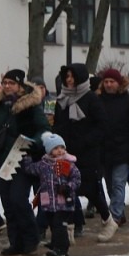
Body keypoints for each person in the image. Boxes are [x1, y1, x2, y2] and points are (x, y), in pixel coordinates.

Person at [0, 70, 50, 256]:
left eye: (11, 83)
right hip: (0, 160)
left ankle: (31, 238)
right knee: (8, 203)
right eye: (4, 83)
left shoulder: (30, 106)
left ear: (20, 85)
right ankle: (16, 242)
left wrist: (32, 142)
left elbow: (44, 129)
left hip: (22, 159)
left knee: (18, 199)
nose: (7, 86)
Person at [53, 63, 105, 233]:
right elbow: (58, 124)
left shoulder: (91, 98)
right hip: (65, 152)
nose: (69, 80)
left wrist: (85, 141)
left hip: (87, 153)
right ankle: (67, 231)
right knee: (65, 190)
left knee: (89, 189)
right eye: (67, 77)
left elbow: (101, 126)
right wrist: (55, 144)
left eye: (72, 77)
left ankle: (108, 219)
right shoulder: (62, 99)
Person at [94, 68, 129, 239]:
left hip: (122, 151)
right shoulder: (98, 101)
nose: (108, 85)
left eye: (112, 82)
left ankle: (114, 217)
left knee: (118, 183)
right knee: (109, 186)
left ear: (119, 83)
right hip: (104, 152)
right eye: (106, 81)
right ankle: (119, 213)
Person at [25, 132, 80, 256]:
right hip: (48, 202)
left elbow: (76, 179)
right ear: (49, 151)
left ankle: (62, 249)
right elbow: (30, 169)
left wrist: (68, 187)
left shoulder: (67, 164)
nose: (60, 151)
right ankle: (56, 244)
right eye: (56, 148)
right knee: (53, 224)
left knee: (59, 224)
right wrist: (26, 158)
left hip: (63, 202)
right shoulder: (43, 164)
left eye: (62, 147)